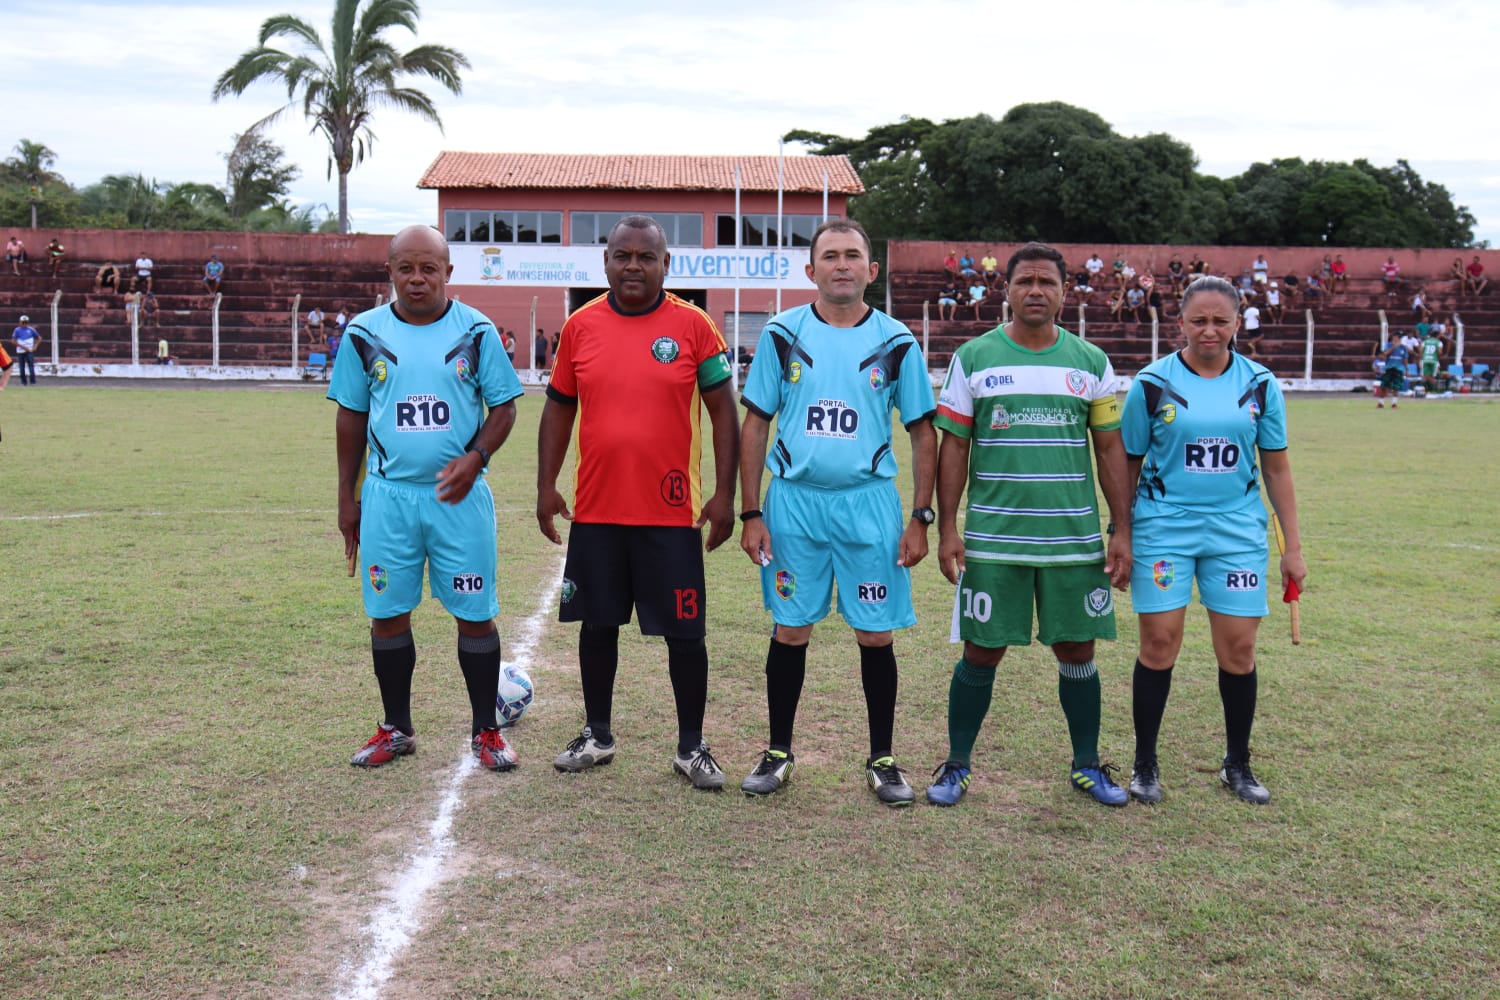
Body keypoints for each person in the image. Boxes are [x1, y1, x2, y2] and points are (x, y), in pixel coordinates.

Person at [925, 241, 1133, 809]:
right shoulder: (975, 358)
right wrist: (949, 529)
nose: (1036, 291)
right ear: (1007, 289)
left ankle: (1087, 765)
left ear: (1065, 293)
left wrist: (1122, 528)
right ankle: (957, 764)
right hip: (994, 540)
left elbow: (1111, 451)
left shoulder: (1091, 363)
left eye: (1047, 282)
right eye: (1026, 282)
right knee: (980, 652)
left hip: (1072, 539)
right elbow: (953, 450)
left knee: (1076, 650)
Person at [537, 215, 739, 791]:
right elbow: (558, 407)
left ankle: (690, 746)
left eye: (645, 257)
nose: (633, 266)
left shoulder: (694, 327)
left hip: (671, 514)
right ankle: (597, 734)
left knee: (685, 633)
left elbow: (724, 410)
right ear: (605, 262)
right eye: (622, 255)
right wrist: (546, 483)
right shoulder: (580, 327)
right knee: (597, 625)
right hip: (598, 510)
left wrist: (725, 494)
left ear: (665, 264)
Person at [738, 218, 935, 807]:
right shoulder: (781, 333)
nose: (842, 265)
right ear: (811, 270)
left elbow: (924, 433)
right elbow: (756, 423)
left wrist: (920, 517)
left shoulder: (897, 341)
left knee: (875, 635)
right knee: (790, 628)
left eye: (853, 256)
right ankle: (778, 753)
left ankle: (883, 759)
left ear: (872, 271)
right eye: (830, 256)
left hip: (868, 506)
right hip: (793, 504)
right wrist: (751, 511)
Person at [330, 224, 526, 772]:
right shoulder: (364, 334)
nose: (417, 279)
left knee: (475, 614)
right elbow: (350, 415)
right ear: (390, 271)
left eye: (429, 268)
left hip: (459, 500)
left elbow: (506, 406)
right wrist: (348, 499)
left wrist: (477, 457)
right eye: (406, 269)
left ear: (447, 272)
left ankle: (487, 731)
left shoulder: (478, 331)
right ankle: (396, 729)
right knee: (387, 613)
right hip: (389, 499)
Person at [1120, 275, 1306, 805]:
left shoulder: (1260, 383)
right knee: (1159, 645)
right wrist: (1123, 532)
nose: (1209, 330)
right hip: (1163, 528)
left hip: (1236, 531)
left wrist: (1292, 546)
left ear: (1238, 323)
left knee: (1239, 651)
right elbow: (1127, 463)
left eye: (1220, 320)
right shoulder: (1152, 383)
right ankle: (1145, 765)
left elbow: (1276, 468)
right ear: (1179, 322)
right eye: (1198, 320)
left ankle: (1237, 764)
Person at [1375, 336, 1412, 408]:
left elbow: (1405, 359)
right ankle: (1381, 403)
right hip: (1389, 368)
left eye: (1398, 339)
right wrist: (1393, 347)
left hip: (1399, 369)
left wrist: (1407, 370)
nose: (1396, 340)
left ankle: (1394, 403)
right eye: (1395, 339)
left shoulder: (1403, 348)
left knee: (1396, 387)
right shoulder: (1388, 345)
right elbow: (1385, 354)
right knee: (1384, 386)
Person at [12, 316, 39, 386]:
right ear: (20, 322)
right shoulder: (17, 330)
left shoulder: (31, 330)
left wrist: (35, 346)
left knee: (31, 366)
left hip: (29, 351)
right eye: (23, 322)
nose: (24, 324)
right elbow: (13, 341)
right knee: (22, 367)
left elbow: (39, 338)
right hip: (21, 351)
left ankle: (32, 382)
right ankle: (23, 382)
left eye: (25, 322)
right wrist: (23, 347)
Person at [1419, 325, 1445, 391]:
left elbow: (1421, 351)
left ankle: (1423, 391)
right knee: (1432, 377)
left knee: (1424, 376)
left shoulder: (1425, 341)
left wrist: (1422, 358)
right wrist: (1438, 357)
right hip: (1434, 360)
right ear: (1438, 335)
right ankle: (1431, 391)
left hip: (1425, 359)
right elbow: (1439, 352)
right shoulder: (1439, 342)